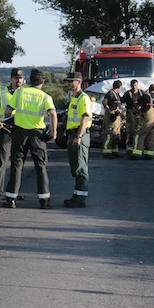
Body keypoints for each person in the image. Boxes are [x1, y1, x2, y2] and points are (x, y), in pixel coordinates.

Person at [3, 68, 57, 209]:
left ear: (30, 80)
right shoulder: (46, 97)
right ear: (43, 81)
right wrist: (54, 131)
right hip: (37, 135)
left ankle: (10, 198)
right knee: (40, 167)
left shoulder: (20, 92)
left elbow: (8, 111)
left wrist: (14, 119)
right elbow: (52, 114)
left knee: (17, 165)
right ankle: (44, 201)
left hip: (20, 133)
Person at [0, 68, 24, 200]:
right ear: (11, 79)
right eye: (16, 78)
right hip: (5, 130)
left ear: (24, 80)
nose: (18, 80)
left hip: (20, 130)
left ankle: (13, 191)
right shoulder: (2, 92)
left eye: (20, 78)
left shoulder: (26, 93)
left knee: (17, 163)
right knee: (2, 163)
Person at [63, 72, 92, 208]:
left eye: (71, 81)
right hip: (72, 134)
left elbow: (85, 118)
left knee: (81, 168)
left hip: (79, 134)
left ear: (79, 82)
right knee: (75, 167)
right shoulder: (74, 97)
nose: (68, 83)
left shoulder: (83, 98)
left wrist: (79, 136)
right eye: (67, 81)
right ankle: (76, 196)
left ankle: (80, 199)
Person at [132, 83, 154, 159]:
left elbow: (138, 106)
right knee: (151, 136)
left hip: (148, 118)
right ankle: (149, 154)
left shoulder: (146, 96)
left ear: (149, 89)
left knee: (140, 134)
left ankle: (137, 154)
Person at [101, 80, 123, 158]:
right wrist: (110, 111)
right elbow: (104, 102)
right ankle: (107, 152)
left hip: (117, 119)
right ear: (120, 87)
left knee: (116, 135)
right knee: (109, 134)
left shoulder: (117, 95)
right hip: (111, 118)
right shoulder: (110, 93)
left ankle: (114, 151)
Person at [121, 79, 142, 155]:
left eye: (135, 85)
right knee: (131, 131)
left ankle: (137, 147)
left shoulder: (141, 92)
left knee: (139, 130)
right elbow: (121, 101)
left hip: (139, 114)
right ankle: (129, 148)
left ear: (137, 85)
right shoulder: (127, 93)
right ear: (130, 86)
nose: (134, 87)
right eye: (133, 86)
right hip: (130, 113)